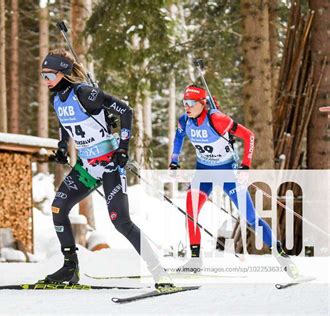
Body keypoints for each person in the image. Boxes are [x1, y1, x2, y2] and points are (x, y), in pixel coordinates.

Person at [41, 48, 172, 288]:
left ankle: (159, 273)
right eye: (43, 76)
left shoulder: (85, 93)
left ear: (63, 73)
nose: (46, 81)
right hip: (87, 166)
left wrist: (122, 149)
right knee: (58, 208)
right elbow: (64, 123)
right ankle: (70, 268)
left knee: (120, 222)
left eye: (49, 75)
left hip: (110, 163)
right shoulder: (57, 99)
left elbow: (126, 111)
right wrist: (62, 146)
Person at [169, 85, 298, 278]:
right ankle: (195, 261)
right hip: (203, 173)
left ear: (202, 104)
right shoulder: (185, 121)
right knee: (190, 213)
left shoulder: (218, 120)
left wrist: (245, 166)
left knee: (251, 218)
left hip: (228, 173)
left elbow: (249, 136)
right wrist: (174, 161)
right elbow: (178, 138)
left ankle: (283, 258)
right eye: (184, 103)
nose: (186, 107)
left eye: (191, 103)